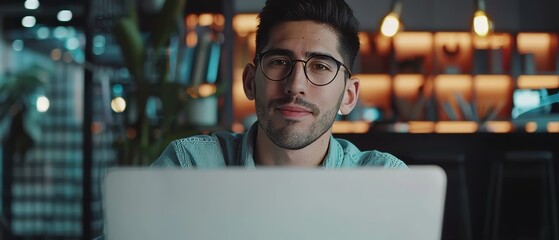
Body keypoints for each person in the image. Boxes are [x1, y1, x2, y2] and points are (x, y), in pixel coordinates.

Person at [152, 0, 406, 168]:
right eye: (279, 61)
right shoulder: (190, 166)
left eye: (320, 66)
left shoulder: (386, 179)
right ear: (250, 82)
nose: (295, 85)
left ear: (349, 96)